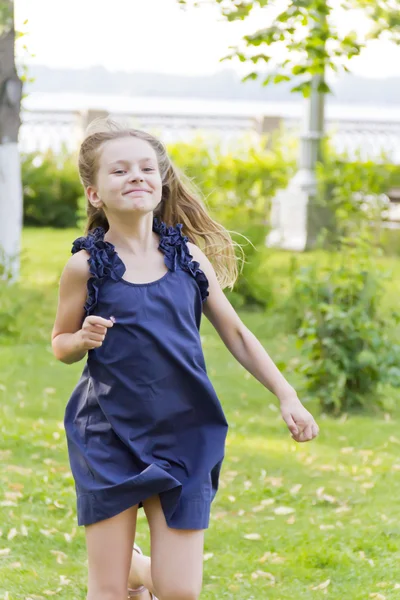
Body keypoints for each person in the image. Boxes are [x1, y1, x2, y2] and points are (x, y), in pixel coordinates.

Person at [51, 118, 319, 600]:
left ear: (161, 181)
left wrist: (287, 394)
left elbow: (236, 333)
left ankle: (139, 572)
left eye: (146, 167)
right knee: (106, 590)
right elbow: (59, 344)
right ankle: (122, 575)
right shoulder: (85, 267)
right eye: (120, 171)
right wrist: (82, 339)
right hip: (106, 432)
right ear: (95, 194)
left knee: (180, 593)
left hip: (185, 431)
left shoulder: (187, 259)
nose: (136, 176)